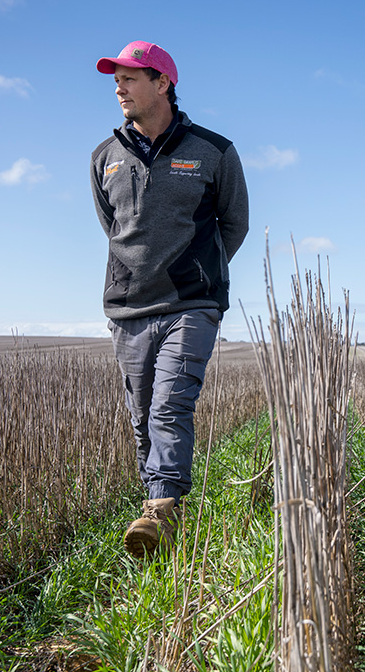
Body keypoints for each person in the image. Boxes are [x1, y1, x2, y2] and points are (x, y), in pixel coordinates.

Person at [90, 40, 249, 558]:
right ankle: (158, 515)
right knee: (141, 416)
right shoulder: (103, 158)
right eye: (116, 79)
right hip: (130, 308)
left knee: (169, 404)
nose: (119, 87)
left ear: (162, 83)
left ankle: (162, 508)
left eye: (130, 78)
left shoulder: (214, 152)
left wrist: (198, 270)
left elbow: (234, 224)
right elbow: (113, 228)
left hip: (192, 302)